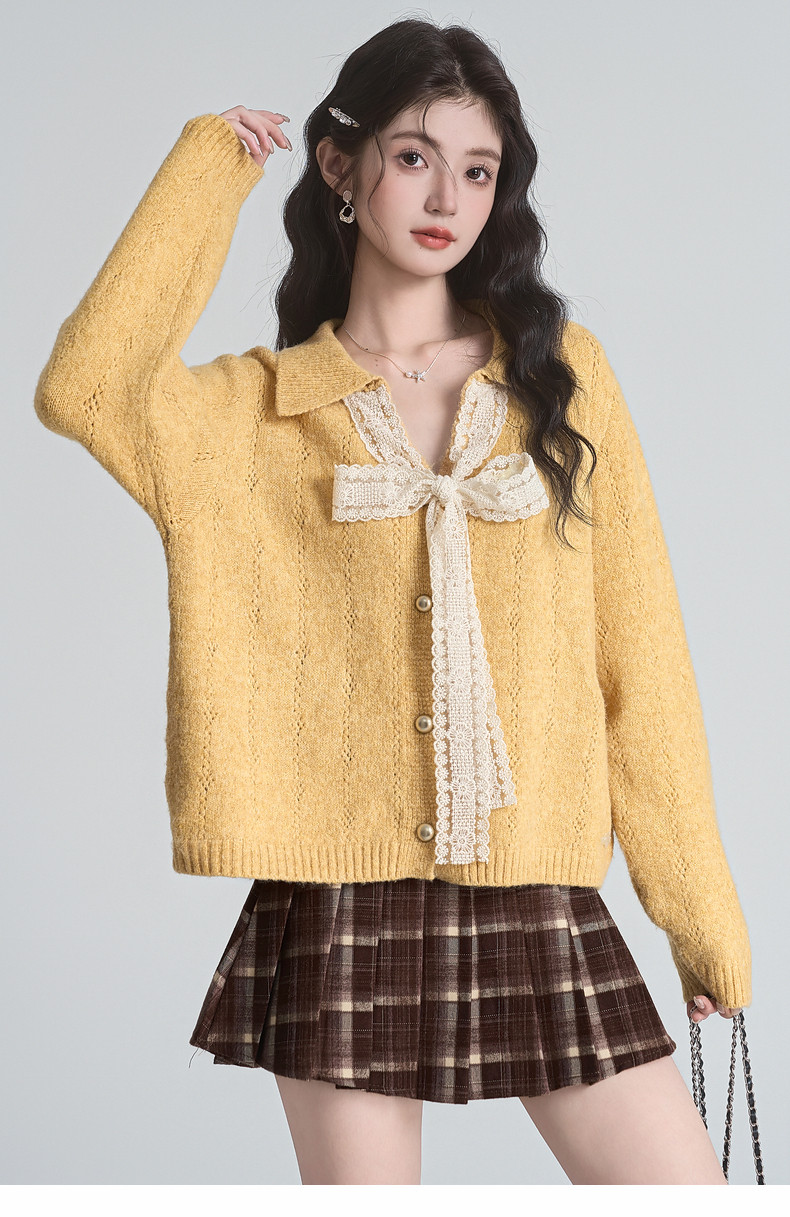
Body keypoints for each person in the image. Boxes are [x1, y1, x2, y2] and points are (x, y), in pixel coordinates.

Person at [34, 17, 751, 1186]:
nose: (446, 197)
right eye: (413, 156)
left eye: (478, 169)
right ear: (340, 165)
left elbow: (642, 658)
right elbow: (87, 387)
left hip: (531, 872)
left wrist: (696, 908)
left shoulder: (561, 382)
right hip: (336, 892)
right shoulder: (251, 416)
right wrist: (206, 173)